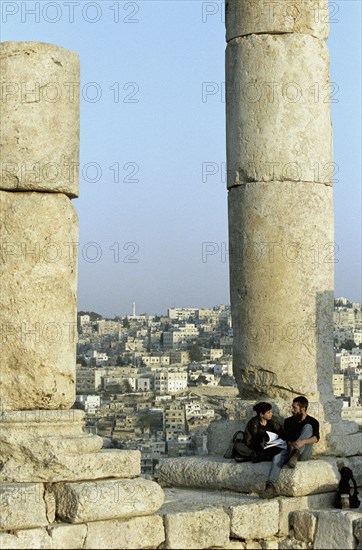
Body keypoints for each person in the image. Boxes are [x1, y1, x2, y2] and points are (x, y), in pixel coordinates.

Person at [259, 396, 320, 499]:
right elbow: (285, 439)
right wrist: (292, 444)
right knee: (277, 456)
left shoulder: (313, 421)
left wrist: (303, 441)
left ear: (303, 409)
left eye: (295, 408)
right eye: (292, 407)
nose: (292, 410)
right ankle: (270, 487)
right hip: (289, 450)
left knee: (308, 427)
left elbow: (316, 438)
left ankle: (295, 454)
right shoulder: (288, 421)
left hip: (303, 452)